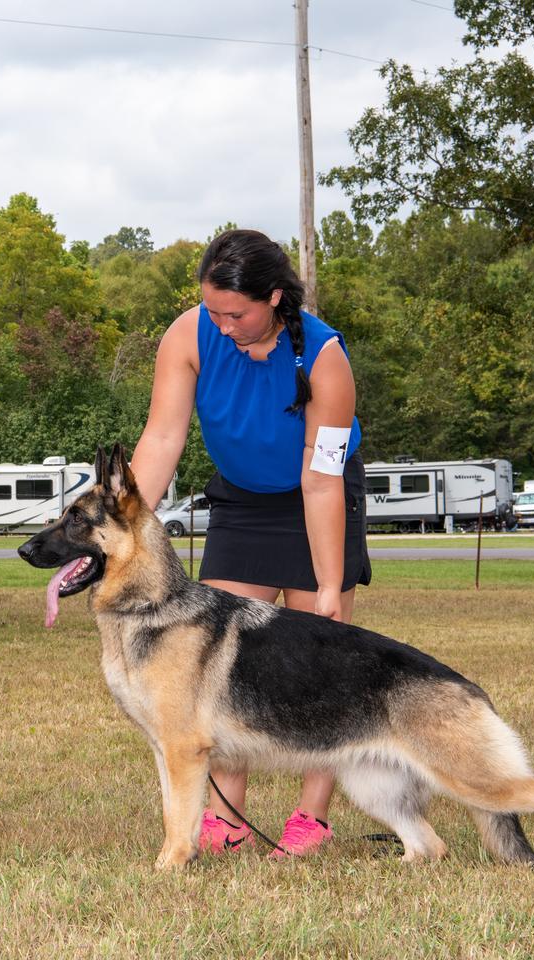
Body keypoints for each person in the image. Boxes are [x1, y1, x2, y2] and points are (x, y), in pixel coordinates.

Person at [129, 228, 371, 858]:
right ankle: (227, 818)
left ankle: (312, 816)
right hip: (241, 503)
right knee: (217, 664)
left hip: (317, 498)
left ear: (274, 298)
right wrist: (123, 524)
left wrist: (327, 586)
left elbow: (321, 480)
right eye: (213, 311)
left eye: (236, 314)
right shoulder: (189, 335)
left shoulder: (324, 358)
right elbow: (162, 439)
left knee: (323, 665)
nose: (223, 326)